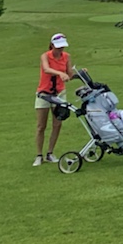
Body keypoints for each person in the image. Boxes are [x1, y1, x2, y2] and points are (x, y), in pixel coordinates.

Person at [34, 33, 79, 167]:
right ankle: (39, 155)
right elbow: (47, 69)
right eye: (58, 47)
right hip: (44, 93)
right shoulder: (45, 56)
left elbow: (69, 75)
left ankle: (50, 153)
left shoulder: (66, 57)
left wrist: (79, 74)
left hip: (59, 93)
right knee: (41, 126)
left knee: (57, 124)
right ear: (52, 45)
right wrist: (60, 73)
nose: (61, 50)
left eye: (62, 47)